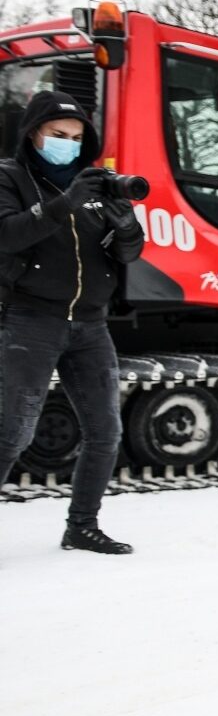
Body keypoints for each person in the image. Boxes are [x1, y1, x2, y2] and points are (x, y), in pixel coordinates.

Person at [0, 90, 143, 554]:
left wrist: (125, 226)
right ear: (34, 134)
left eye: (77, 137)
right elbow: (8, 235)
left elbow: (127, 255)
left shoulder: (97, 189)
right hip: (30, 321)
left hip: (90, 324)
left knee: (106, 431)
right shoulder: (10, 178)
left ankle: (81, 526)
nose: (69, 143)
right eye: (58, 135)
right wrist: (65, 202)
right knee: (13, 432)